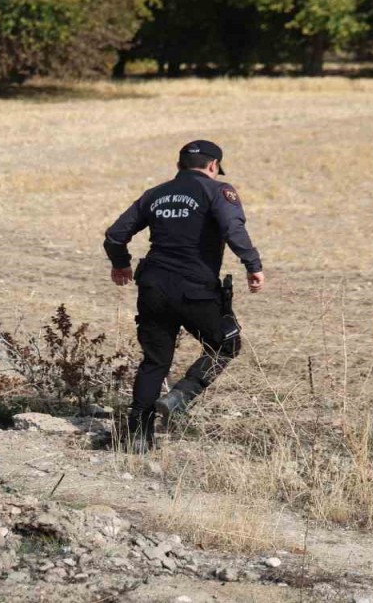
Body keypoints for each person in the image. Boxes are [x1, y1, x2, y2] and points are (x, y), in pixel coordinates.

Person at [103, 140, 265, 450]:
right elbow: (233, 227)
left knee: (154, 361)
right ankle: (181, 395)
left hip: (153, 287)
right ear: (213, 166)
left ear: (179, 166)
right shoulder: (217, 190)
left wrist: (121, 265)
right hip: (195, 290)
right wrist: (252, 265)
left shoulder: (155, 194)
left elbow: (114, 236)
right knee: (226, 343)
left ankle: (137, 437)